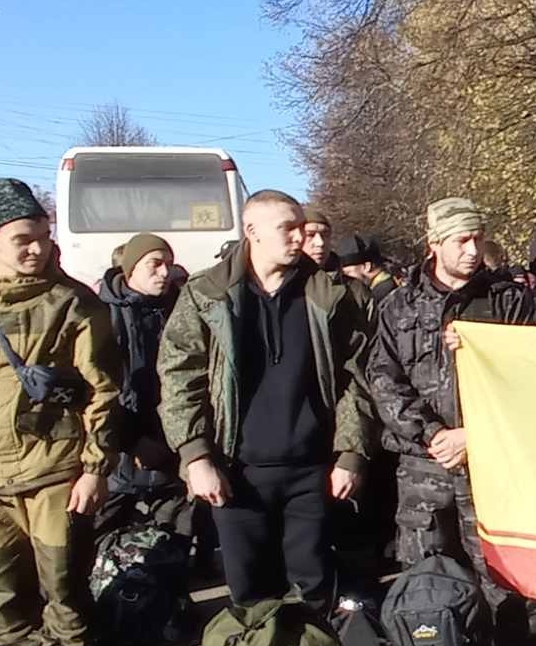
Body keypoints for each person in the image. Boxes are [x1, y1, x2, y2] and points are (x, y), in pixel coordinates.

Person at [159, 190, 375, 611]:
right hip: (236, 473)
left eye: (303, 228)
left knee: (314, 591)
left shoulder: (329, 294)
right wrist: (196, 457)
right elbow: (178, 376)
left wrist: (352, 453)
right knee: (251, 594)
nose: (300, 237)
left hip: (312, 471)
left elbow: (357, 378)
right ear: (252, 231)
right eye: (288, 228)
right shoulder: (208, 294)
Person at [0, 178, 123, 646]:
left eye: (42, 236)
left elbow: (103, 390)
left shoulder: (73, 302)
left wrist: (96, 468)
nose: (37, 249)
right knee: (8, 597)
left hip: (56, 473)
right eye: (22, 240)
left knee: (66, 595)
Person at [368, 196, 536, 586]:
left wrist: (475, 436)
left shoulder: (510, 302)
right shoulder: (400, 306)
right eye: (461, 240)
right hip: (424, 468)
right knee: (428, 584)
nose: (473, 250)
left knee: (504, 583)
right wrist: (433, 433)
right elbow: (383, 380)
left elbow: (533, 378)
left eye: (478, 239)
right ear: (435, 244)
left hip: (494, 464)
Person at [98, 233, 182, 498]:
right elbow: (100, 387)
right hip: (118, 461)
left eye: (169, 264)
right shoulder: (102, 314)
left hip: (175, 452)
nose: (165, 272)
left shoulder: (182, 310)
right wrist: (131, 441)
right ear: (131, 267)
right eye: (155, 264)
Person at [337, 234, 398, 312]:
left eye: (348, 273)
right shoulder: (391, 288)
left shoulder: (380, 297)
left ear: (367, 266)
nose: (346, 279)